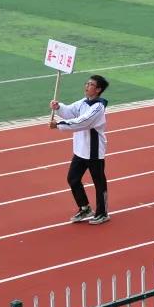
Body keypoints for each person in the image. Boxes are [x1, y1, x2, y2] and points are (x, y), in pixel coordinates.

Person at [51, 75, 111, 224]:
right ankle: (84, 207)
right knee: (73, 179)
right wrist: (58, 107)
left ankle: (102, 213)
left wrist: (59, 125)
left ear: (98, 89)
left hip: (94, 151)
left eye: (91, 84)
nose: (87, 86)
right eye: (87, 83)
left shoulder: (98, 107)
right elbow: (70, 111)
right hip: (80, 150)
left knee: (99, 182)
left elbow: (82, 122)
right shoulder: (83, 102)